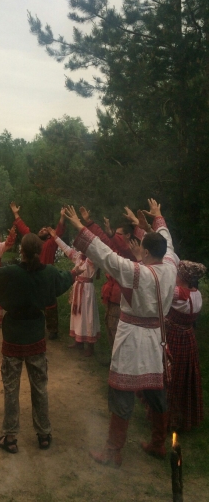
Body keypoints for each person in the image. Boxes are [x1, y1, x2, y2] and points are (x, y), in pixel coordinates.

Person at [64, 200, 177, 467]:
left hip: (131, 340)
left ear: (147, 253)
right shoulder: (171, 265)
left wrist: (81, 226)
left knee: (122, 393)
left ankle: (114, 451)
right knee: (155, 392)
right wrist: (159, 217)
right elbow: (167, 240)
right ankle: (159, 444)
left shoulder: (138, 273)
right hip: (156, 340)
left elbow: (104, 254)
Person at [0, 232, 79, 454]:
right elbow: (62, 281)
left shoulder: (10, 274)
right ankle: (43, 434)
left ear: (21, 252)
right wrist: (74, 273)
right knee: (40, 388)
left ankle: (11, 436)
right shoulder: (48, 274)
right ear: (40, 251)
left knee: (11, 389)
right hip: (35, 338)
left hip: (13, 337)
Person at [78, 206, 138, 351]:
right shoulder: (116, 248)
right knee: (110, 327)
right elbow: (103, 240)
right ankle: (114, 360)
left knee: (119, 332)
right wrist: (89, 222)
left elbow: (117, 244)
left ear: (128, 235)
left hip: (122, 299)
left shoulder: (133, 252)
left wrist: (111, 235)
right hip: (112, 296)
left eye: (118, 234)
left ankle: (122, 363)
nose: (114, 236)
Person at [10, 201, 65, 339]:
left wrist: (62, 217)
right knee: (30, 301)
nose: (41, 230)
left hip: (46, 275)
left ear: (49, 235)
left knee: (50, 302)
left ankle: (52, 330)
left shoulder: (51, 244)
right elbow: (24, 229)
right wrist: (16, 213)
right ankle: (30, 325)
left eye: (45, 230)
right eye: (41, 229)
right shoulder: (34, 241)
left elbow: (59, 232)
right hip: (32, 273)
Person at [47, 214, 99, 357]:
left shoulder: (93, 259)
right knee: (77, 314)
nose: (81, 246)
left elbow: (97, 249)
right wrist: (55, 237)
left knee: (88, 316)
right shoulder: (77, 256)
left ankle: (90, 346)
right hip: (78, 287)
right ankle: (78, 341)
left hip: (87, 290)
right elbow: (65, 248)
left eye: (84, 244)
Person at [166, 260, 206, 431]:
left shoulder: (178, 293)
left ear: (181, 277)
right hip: (188, 338)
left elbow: (158, 290)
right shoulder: (197, 294)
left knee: (170, 376)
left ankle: (167, 419)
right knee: (184, 377)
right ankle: (182, 418)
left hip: (174, 337)